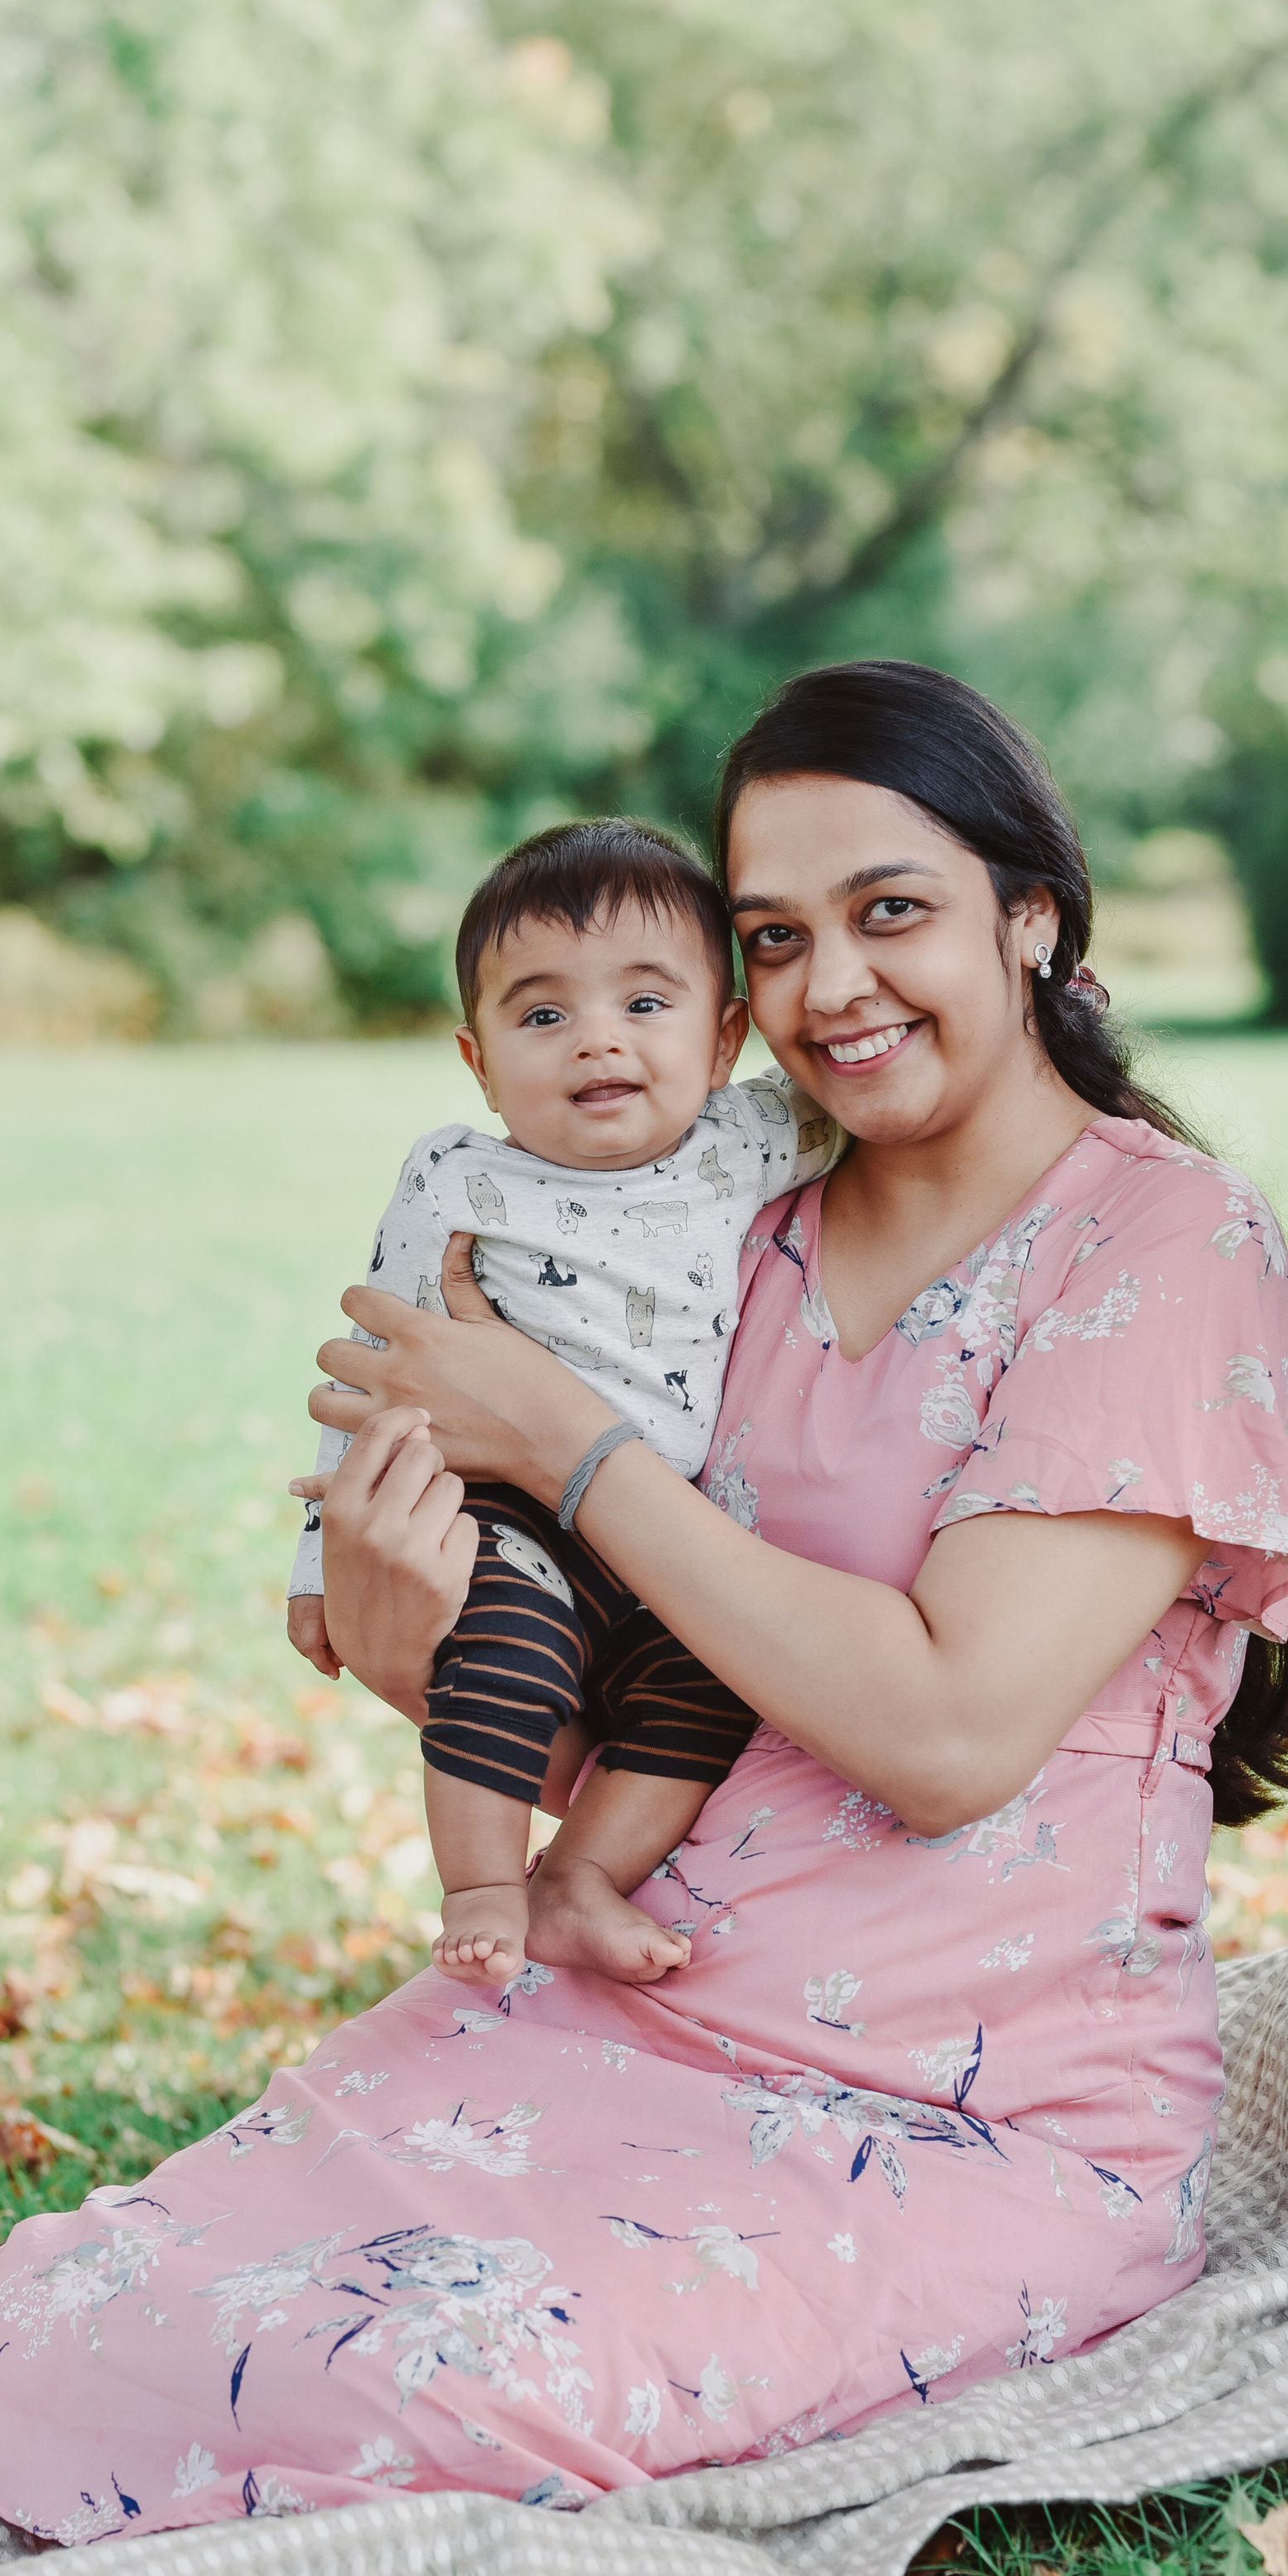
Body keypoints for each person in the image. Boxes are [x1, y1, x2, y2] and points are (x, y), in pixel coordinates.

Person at [0, 660, 1288, 2556]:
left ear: (1027, 918)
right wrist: (405, 1638)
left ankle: (174, 2319)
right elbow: (679, 1718)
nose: (829, 989)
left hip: (967, 2114)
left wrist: (555, 1435)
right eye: (773, 939)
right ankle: (95, 2300)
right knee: (107, 2323)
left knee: (394, 2375)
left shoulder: (1157, 1245)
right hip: (627, 2004)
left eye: (891, 914)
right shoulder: (733, 1241)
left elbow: (945, 1739)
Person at [286, 817, 835, 1987]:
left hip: (661, 1523)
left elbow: (906, 1092)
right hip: (504, 1507)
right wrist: (318, 1562)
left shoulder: (748, 1139)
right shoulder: (459, 1176)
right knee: (508, 1646)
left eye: (647, 1005)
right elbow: (368, 1361)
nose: (598, 1041)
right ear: (478, 1058)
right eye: (542, 1015)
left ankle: (580, 1873)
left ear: (726, 1034)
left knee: (716, 1682)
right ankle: (486, 1882)